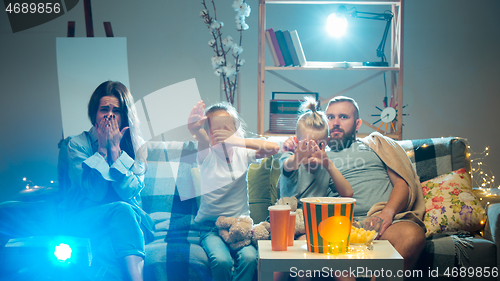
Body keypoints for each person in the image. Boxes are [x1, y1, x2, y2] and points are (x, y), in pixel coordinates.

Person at [283, 96, 426, 275]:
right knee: (309, 243)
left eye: (343, 117)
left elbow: (402, 183)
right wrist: (292, 146)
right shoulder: (315, 155)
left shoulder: (375, 146)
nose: (335, 123)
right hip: (338, 224)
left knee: (412, 235)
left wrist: (387, 213)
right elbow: (292, 169)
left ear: (357, 123)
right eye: (330, 117)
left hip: (380, 221)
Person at [62, 81, 154, 281]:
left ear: (125, 116)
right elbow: (94, 193)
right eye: (104, 109)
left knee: (108, 243)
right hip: (89, 217)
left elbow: (130, 192)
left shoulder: (137, 146)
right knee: (119, 211)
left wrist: (116, 151)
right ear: (94, 113)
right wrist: (102, 151)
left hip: (131, 221)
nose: (110, 115)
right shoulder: (76, 145)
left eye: (116, 111)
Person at [188, 100, 279, 281]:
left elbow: (274, 148)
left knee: (250, 257)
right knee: (221, 261)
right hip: (211, 227)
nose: (221, 134)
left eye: (227, 129)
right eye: (215, 129)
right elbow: (201, 136)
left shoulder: (241, 152)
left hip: (240, 227)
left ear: (236, 131)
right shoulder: (207, 155)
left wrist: (236, 140)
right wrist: (194, 129)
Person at [279, 96, 353, 208]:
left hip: (315, 218)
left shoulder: (325, 166)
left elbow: (348, 194)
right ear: (296, 141)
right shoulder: (291, 157)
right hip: (288, 217)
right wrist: (298, 157)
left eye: (318, 145)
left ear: (327, 142)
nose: (312, 150)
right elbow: (289, 165)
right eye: (307, 145)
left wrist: (328, 165)